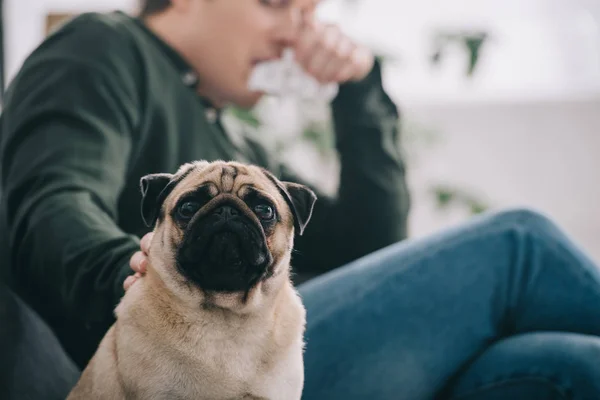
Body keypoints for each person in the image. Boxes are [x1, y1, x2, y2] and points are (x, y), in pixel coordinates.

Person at [0, 1, 599, 399]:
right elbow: (51, 200)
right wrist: (133, 277)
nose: (298, 32)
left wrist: (358, 89)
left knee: (559, 362)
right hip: (167, 362)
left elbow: (371, 246)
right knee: (518, 243)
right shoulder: (102, 48)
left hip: (278, 361)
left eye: (310, 11)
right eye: (277, 3)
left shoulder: (237, 138)